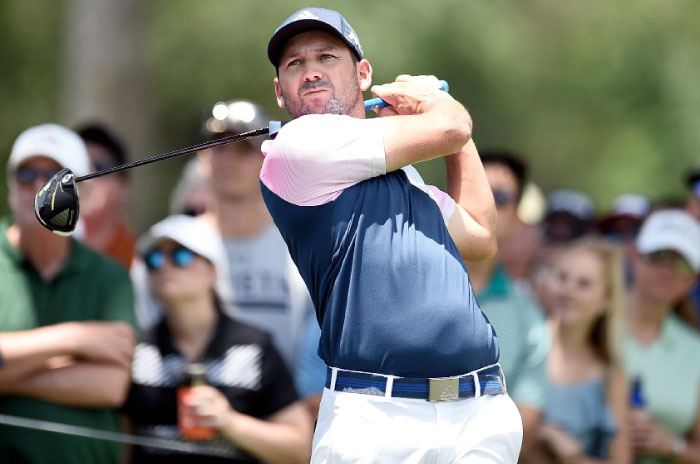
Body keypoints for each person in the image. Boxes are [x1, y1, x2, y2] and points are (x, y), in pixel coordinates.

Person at [261, 7, 523, 463]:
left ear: (362, 74)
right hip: (374, 419)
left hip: (479, 411)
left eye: (327, 57)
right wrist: (433, 101)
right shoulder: (295, 148)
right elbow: (452, 126)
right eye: (294, 65)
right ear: (279, 92)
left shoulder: (407, 179)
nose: (311, 72)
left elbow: (481, 235)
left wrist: (448, 124)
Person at [133, 100, 314, 371]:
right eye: (218, 147)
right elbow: (144, 334)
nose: (228, 159)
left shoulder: (300, 247)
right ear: (201, 157)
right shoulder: (165, 245)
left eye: (243, 148)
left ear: (268, 157)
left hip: (277, 408)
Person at [125, 214, 312, 463]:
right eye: (154, 259)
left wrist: (229, 422)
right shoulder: (138, 349)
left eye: (181, 256)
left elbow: (300, 449)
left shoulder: (255, 346)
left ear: (213, 271)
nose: (165, 267)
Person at [0, 123, 136, 463]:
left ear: (85, 193)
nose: (37, 186)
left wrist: (9, 372)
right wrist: (74, 340)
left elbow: (111, 386)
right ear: (9, 186)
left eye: (55, 176)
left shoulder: (111, 277)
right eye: (25, 173)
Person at [465, 151, 550, 460]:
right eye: (474, 187)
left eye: (499, 197)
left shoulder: (530, 318)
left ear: (517, 218)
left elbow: (524, 424)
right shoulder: (405, 277)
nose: (484, 202)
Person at [531, 238, 631, 463]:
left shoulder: (610, 375)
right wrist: (539, 431)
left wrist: (572, 456)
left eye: (583, 284)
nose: (568, 290)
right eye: (562, 277)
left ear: (607, 300)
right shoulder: (524, 346)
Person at [623, 209, 700, 463]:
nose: (668, 270)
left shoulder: (695, 350)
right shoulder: (592, 324)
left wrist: (672, 446)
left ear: (694, 278)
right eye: (658, 256)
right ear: (634, 256)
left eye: (681, 262)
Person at [75, 123, 136, 268]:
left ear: (123, 186)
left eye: (101, 167)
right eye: (79, 166)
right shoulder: (42, 252)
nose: (87, 177)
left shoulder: (139, 264)